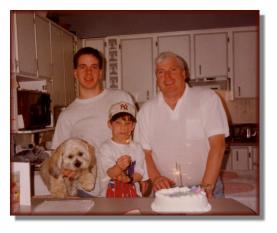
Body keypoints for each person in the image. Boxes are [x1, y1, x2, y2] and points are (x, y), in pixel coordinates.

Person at [134, 52, 229, 198]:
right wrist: (156, 178)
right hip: (165, 192)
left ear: (184, 73)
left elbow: (218, 145)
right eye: (161, 72)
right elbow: (144, 152)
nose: (167, 77)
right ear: (156, 78)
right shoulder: (146, 111)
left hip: (206, 188)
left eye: (173, 70)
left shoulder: (207, 98)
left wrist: (206, 186)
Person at [51, 47, 133, 197]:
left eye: (94, 67)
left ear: (101, 72)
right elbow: (57, 159)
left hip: (124, 186)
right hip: (88, 192)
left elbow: (137, 139)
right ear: (75, 73)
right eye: (83, 67)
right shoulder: (67, 115)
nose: (89, 73)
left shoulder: (121, 98)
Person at [99, 102, 148, 197]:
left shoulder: (137, 148)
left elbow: (140, 173)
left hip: (133, 196)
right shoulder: (106, 147)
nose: (123, 127)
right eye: (118, 123)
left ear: (133, 126)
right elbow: (110, 173)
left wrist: (129, 179)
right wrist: (119, 167)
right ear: (110, 124)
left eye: (127, 123)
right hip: (109, 198)